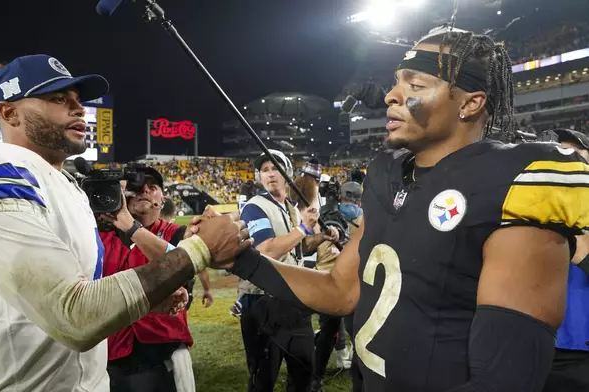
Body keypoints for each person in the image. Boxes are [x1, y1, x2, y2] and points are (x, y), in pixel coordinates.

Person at [225, 28, 589, 391]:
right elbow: (341, 289)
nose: (391, 95)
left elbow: (500, 382)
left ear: (470, 103)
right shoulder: (387, 176)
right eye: (397, 82)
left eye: (415, 86)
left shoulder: (514, 185)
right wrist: (240, 259)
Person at [0, 54, 249, 391]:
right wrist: (199, 250)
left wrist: (146, 296)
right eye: (58, 99)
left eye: (77, 100)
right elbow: (73, 316)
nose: (78, 109)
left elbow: (79, 286)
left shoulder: (66, 186)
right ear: (9, 112)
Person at [99, 166, 212, 392]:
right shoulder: (101, 235)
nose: (144, 190)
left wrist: (132, 228)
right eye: (135, 187)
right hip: (108, 354)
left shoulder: (178, 234)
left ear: (163, 199)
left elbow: (181, 272)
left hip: (160, 352)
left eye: (152, 187)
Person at [238, 149, 337, 392]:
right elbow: (267, 249)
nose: (270, 174)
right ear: (259, 177)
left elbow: (299, 246)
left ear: (288, 174)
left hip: (293, 299)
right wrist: (303, 227)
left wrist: (322, 236)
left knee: (304, 374)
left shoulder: (291, 207)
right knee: (263, 379)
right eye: (264, 170)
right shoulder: (255, 207)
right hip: (263, 304)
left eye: (275, 168)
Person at [541, 128, 589, 391]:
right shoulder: (536, 207)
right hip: (538, 342)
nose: (567, 156)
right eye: (561, 151)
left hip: (580, 352)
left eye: (576, 150)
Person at [309, 181, 363, 392]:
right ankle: (360, 381)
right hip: (353, 283)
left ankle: (316, 377)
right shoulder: (364, 217)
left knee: (328, 333)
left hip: (328, 281)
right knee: (358, 335)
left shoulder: (326, 215)